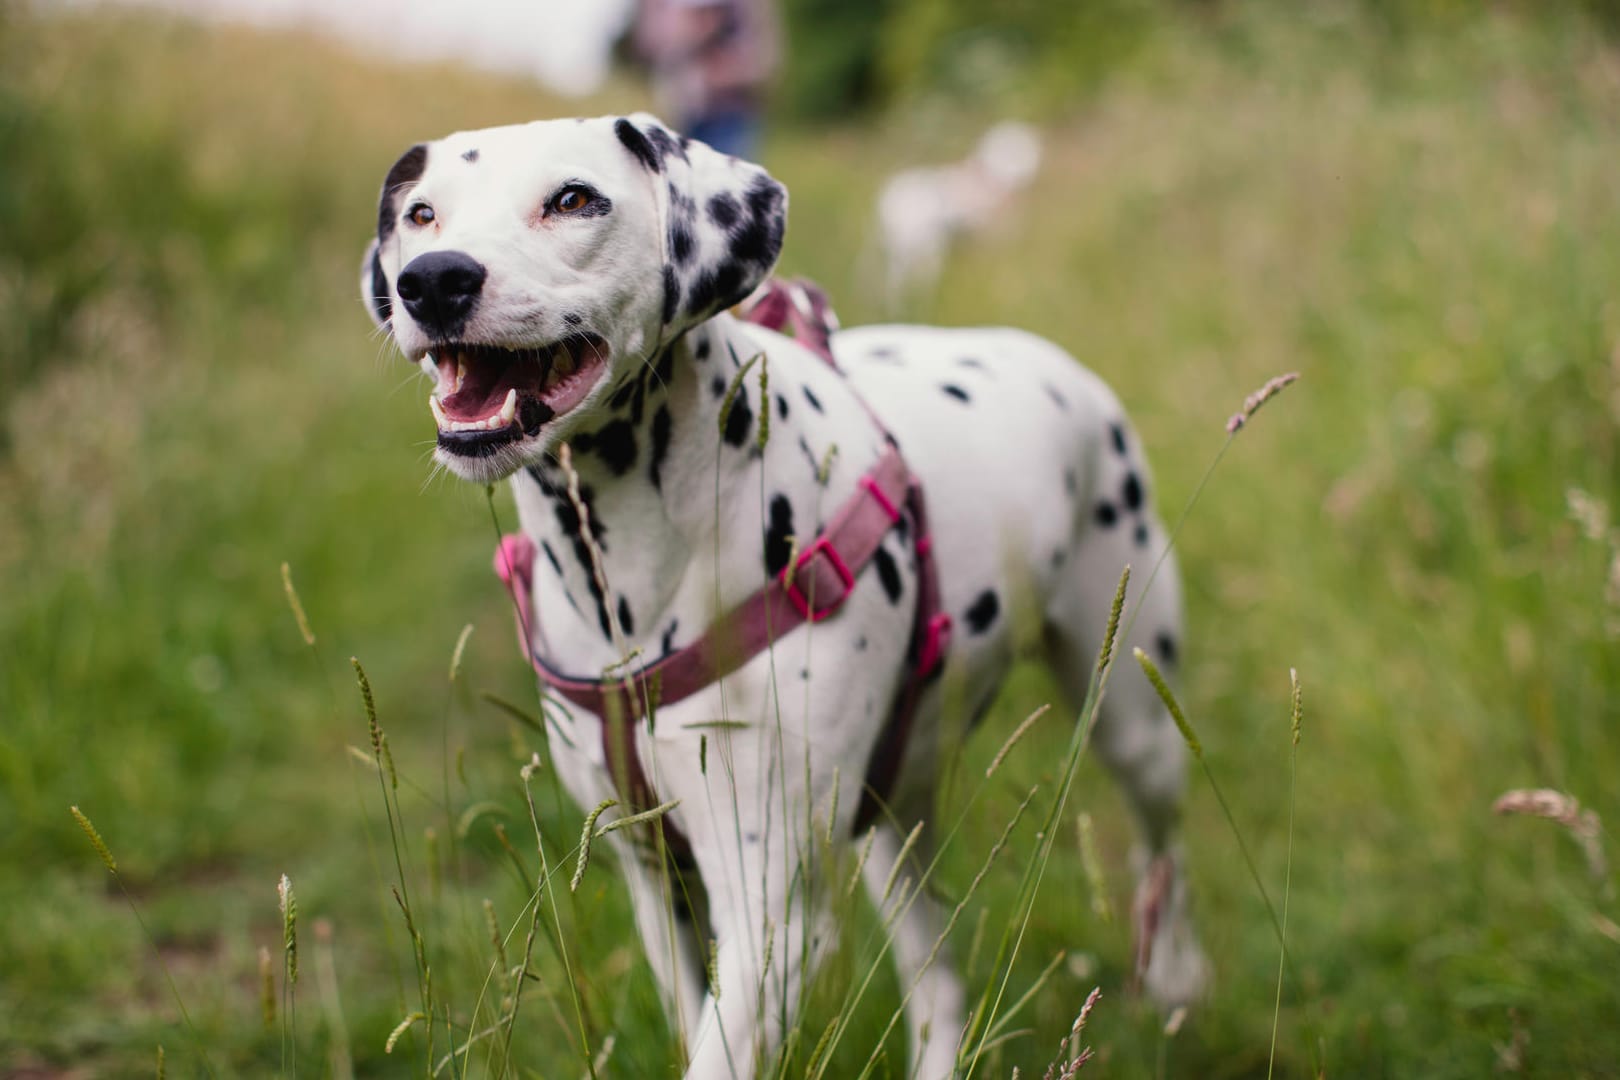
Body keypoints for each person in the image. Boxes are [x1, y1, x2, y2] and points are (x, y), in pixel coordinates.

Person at [632, 0, 779, 161]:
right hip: (680, 112)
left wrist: (733, 70)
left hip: (730, 110)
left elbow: (764, 55)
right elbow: (649, 43)